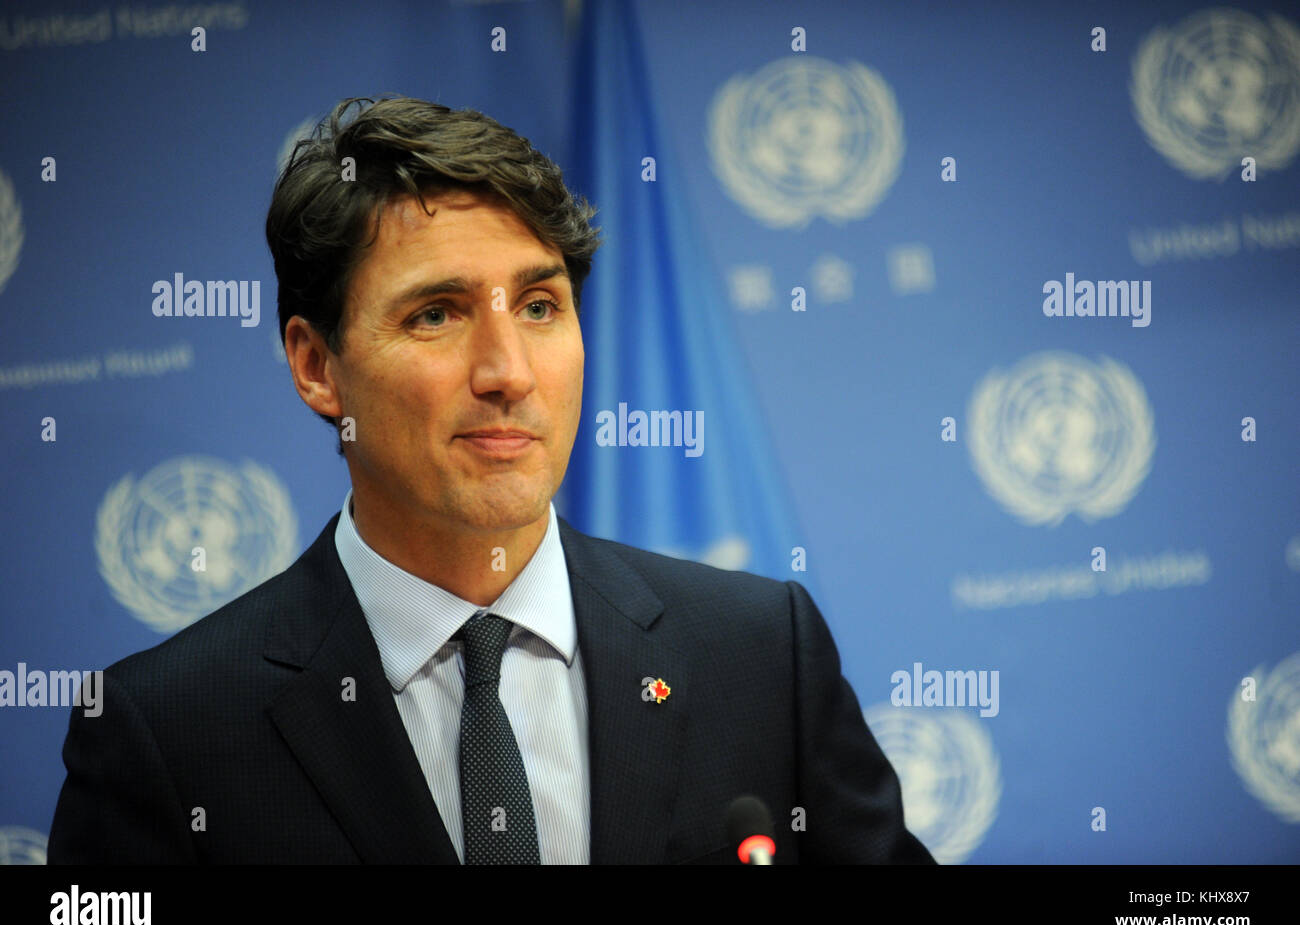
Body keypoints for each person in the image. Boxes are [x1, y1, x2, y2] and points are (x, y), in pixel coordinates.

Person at [47, 96, 934, 865]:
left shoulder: (759, 655)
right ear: (317, 365)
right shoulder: (167, 731)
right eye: (438, 313)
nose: (508, 370)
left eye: (541, 306)